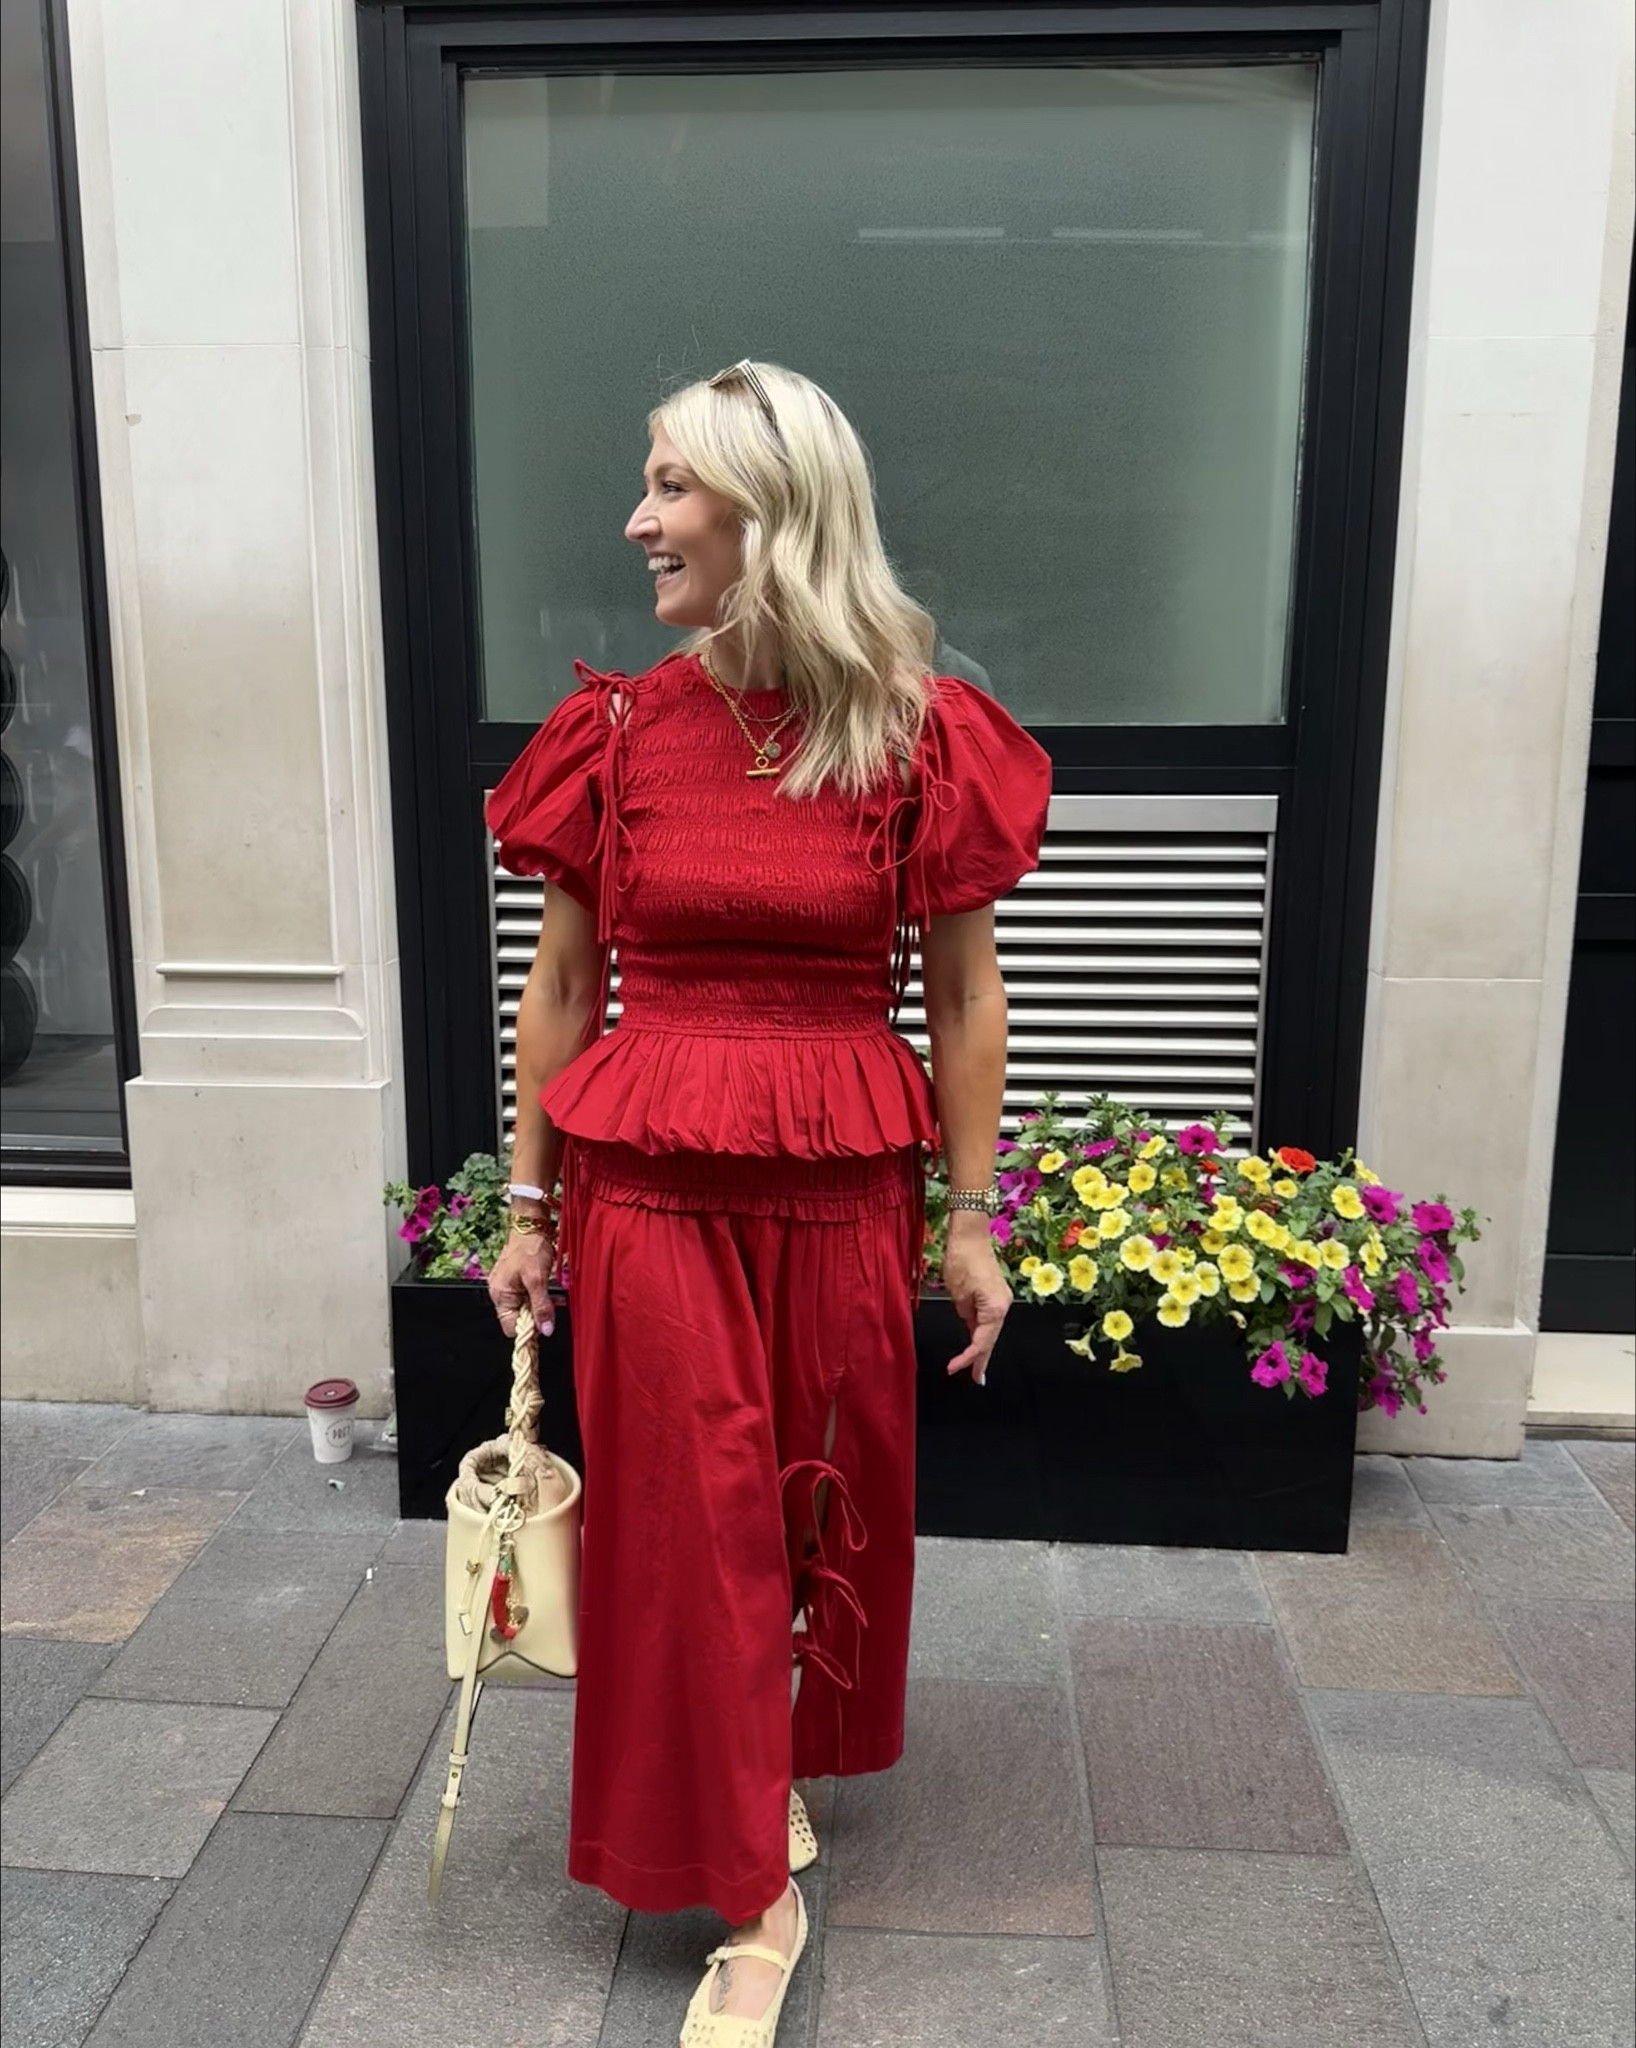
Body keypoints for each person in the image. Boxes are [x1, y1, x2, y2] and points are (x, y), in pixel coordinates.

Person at [484, 359, 1051, 2046]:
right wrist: (524, 1207)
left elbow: (961, 998)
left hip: (833, 1181)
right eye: (647, 482)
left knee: (804, 1508)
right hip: (648, 1177)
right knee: (690, 1517)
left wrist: (970, 1218)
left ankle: (754, 1777)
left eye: (672, 486)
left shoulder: (914, 730)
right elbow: (566, 981)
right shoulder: (615, 730)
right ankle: (755, 1896)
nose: (638, 518)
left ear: (772, 511)